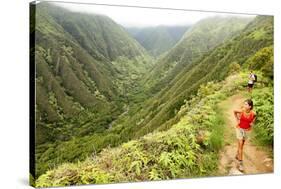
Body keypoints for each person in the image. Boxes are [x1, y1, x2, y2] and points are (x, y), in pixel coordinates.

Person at [233, 99, 256, 172]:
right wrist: (237, 119)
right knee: (240, 145)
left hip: (247, 130)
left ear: (250, 106)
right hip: (239, 129)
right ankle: (240, 163)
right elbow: (234, 111)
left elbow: (254, 117)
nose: (244, 105)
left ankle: (237, 155)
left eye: (246, 104)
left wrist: (252, 122)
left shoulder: (253, 114)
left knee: (242, 145)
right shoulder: (241, 111)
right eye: (244, 104)